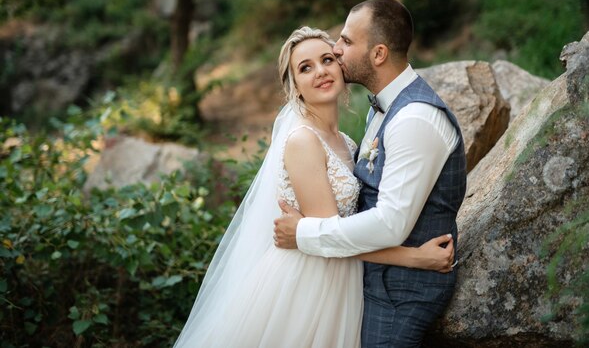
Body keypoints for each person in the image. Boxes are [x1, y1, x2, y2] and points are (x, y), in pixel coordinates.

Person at [174, 26, 455, 348]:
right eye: (305, 68)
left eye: (327, 60)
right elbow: (331, 235)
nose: (320, 71)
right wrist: (415, 258)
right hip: (307, 283)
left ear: (341, 66)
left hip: (341, 279)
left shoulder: (346, 143)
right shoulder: (303, 141)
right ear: (295, 87)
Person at [274, 0, 467, 347]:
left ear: (378, 54)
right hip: (366, 281)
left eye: (346, 42)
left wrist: (303, 233)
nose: (336, 48)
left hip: (403, 292)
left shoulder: (414, 119)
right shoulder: (381, 111)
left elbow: (390, 222)